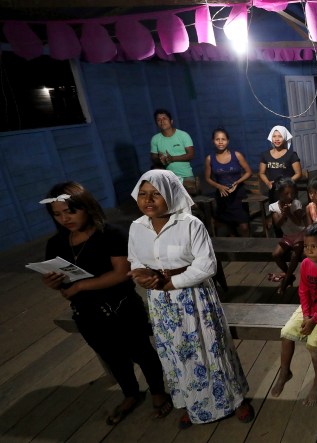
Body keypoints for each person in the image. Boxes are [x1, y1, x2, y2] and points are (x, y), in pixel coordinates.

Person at [126, 169, 252, 429]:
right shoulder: (136, 227)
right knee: (176, 354)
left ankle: (235, 399)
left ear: (171, 195)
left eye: (156, 194)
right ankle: (193, 403)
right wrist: (140, 276)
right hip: (161, 302)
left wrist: (172, 282)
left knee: (210, 348)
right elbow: (136, 260)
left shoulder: (190, 224)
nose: (148, 200)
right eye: (143, 194)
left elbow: (207, 266)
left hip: (193, 298)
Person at [38, 182, 171, 426]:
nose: (65, 219)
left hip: (121, 307)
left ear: (87, 207)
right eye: (57, 214)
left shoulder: (110, 234)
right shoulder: (56, 243)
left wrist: (79, 286)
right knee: (112, 356)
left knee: (141, 352)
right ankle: (131, 394)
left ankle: (158, 392)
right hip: (86, 313)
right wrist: (55, 283)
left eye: (70, 211)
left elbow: (121, 273)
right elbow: (62, 282)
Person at [270, 223, 317, 406]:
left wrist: (315, 320)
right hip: (310, 309)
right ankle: (284, 371)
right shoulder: (305, 264)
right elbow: (303, 291)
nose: (309, 250)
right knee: (286, 333)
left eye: (314, 246)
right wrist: (306, 316)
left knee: (313, 343)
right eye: (306, 246)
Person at [204, 127, 253, 237]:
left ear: (228, 141)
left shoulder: (237, 155)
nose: (220, 142)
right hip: (222, 195)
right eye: (217, 139)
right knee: (227, 226)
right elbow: (207, 178)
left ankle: (249, 248)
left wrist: (237, 182)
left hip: (238, 193)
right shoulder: (209, 158)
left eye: (223, 139)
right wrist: (219, 186)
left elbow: (248, 172)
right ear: (213, 141)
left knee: (244, 227)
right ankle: (235, 249)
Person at [267, 177, 306, 295]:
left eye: (292, 193)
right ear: (279, 194)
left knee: (295, 255)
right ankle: (289, 276)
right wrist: (284, 215)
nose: (290, 196)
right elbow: (278, 225)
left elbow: (299, 222)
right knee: (276, 254)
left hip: (300, 234)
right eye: (286, 193)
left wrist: (289, 213)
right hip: (287, 236)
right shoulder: (273, 207)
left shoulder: (296, 203)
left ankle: (285, 282)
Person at [150, 108, 197, 194]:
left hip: (186, 176)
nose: (162, 121)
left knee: (189, 201)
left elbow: (191, 155)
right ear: (156, 123)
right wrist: (160, 160)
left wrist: (172, 158)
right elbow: (153, 158)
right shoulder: (155, 139)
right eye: (158, 120)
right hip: (168, 178)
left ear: (171, 121)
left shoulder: (183, 135)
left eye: (164, 118)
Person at [259, 124, 302, 204]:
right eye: (274, 136)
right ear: (271, 138)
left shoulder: (292, 155)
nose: (277, 139)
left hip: (289, 190)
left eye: (280, 136)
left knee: (291, 213)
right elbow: (261, 173)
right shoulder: (265, 155)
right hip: (273, 190)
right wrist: (267, 183)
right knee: (276, 214)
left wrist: (286, 183)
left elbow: (298, 174)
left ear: (285, 138)